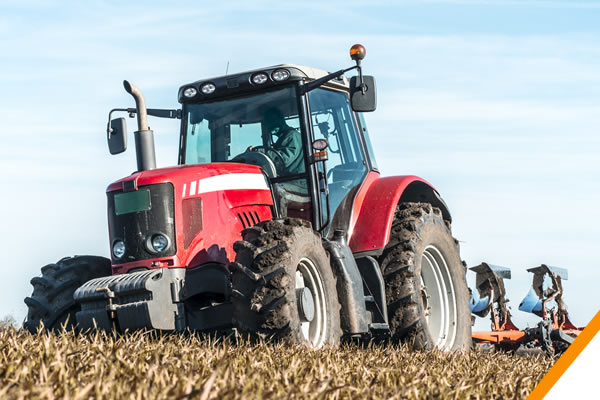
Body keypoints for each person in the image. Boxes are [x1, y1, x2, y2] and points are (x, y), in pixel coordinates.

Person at [251, 108, 304, 177]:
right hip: (288, 179)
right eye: (267, 123)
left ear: (281, 119)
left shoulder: (292, 136)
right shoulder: (284, 137)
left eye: (272, 121)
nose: (268, 125)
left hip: (297, 181)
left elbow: (282, 160)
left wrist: (258, 151)